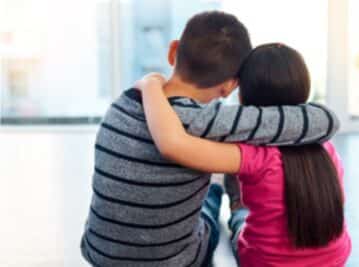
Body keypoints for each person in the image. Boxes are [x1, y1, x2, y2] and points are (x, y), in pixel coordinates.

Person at [80, 12, 340, 267]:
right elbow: (324, 121)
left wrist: (151, 84)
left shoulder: (118, 108)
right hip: (174, 262)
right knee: (208, 210)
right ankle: (216, 187)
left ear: (173, 52)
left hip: (99, 252)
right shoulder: (209, 123)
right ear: (229, 86)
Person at [139, 43, 351, 267]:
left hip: (265, 262)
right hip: (335, 259)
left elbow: (178, 146)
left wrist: (150, 86)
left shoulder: (254, 154)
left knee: (235, 210)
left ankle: (232, 201)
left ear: (244, 97)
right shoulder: (327, 147)